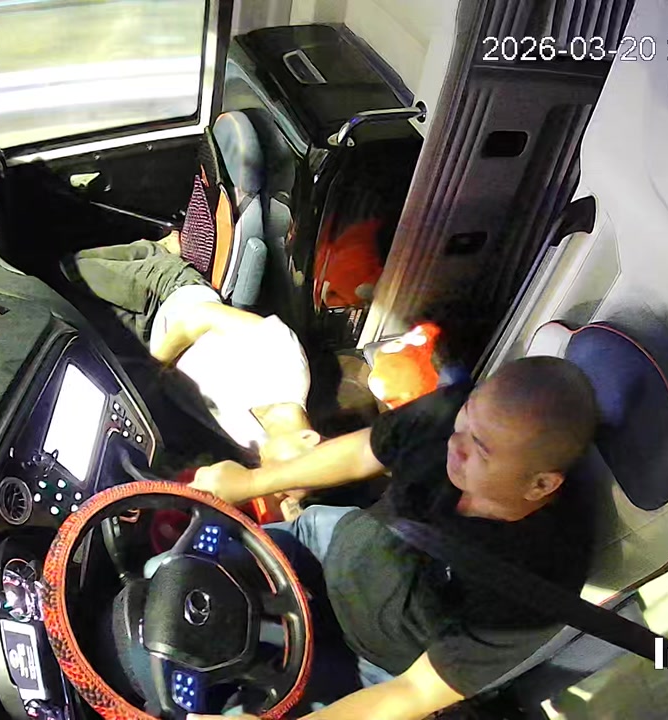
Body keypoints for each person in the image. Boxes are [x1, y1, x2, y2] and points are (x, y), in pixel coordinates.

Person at [188, 356, 599, 720]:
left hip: (369, 665)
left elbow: (415, 691)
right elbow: (366, 450)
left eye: (481, 450)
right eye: (466, 417)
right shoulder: (452, 417)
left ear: (541, 485)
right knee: (181, 576)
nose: (455, 442)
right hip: (323, 546)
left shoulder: (538, 586)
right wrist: (251, 482)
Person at [60, 238, 321, 467]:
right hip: (169, 294)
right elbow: (203, 316)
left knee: (78, 323)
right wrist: (154, 367)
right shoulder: (288, 366)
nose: (276, 477)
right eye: (289, 472)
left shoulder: (256, 444)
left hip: (149, 341)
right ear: (307, 438)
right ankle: (157, 251)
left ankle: (151, 252)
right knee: (72, 269)